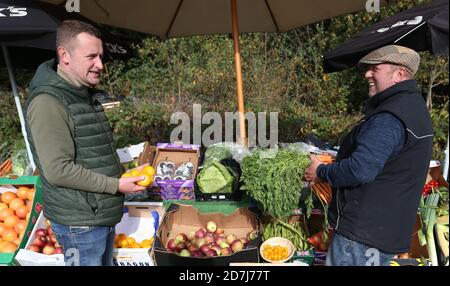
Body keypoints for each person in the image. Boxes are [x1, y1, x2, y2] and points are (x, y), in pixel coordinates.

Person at [25, 20, 146, 266]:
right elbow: (58, 170)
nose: (100, 65)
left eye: (101, 56)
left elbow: (88, 154)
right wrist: (115, 185)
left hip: (96, 216)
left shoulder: (81, 95)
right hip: (79, 224)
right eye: (91, 56)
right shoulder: (49, 103)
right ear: (64, 55)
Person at [304, 45, 433, 266]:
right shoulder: (414, 107)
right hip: (381, 231)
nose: (367, 74)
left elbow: (360, 169)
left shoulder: (390, 117)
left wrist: (321, 171)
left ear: (399, 74)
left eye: (375, 69)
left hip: (362, 235)